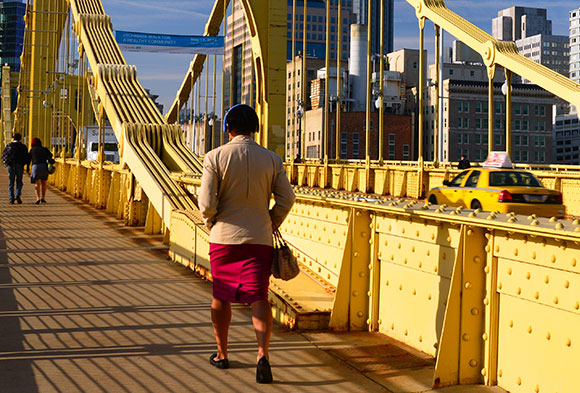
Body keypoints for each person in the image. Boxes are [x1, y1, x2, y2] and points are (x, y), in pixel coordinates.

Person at [198, 104, 295, 384]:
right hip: (259, 238)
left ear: (228, 128)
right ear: (255, 128)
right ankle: (262, 355)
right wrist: (271, 222)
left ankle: (222, 353)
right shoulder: (272, 159)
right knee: (259, 296)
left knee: (221, 295)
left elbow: (205, 203)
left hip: (224, 239)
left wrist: (212, 223)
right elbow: (287, 199)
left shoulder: (214, 157)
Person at [2, 133, 30, 204]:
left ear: (13, 138)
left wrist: (6, 162)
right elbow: (27, 157)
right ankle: (17, 194)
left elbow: (4, 154)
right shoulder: (23, 147)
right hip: (20, 166)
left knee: (11, 182)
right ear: (20, 139)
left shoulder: (9, 146)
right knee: (19, 181)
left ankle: (11, 198)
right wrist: (26, 166)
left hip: (11, 166)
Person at [29, 137, 54, 204]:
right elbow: (51, 155)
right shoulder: (44, 149)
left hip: (36, 167)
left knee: (37, 184)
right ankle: (43, 198)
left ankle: (37, 198)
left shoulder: (32, 150)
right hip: (44, 167)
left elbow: (29, 158)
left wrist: (28, 167)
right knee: (44, 183)